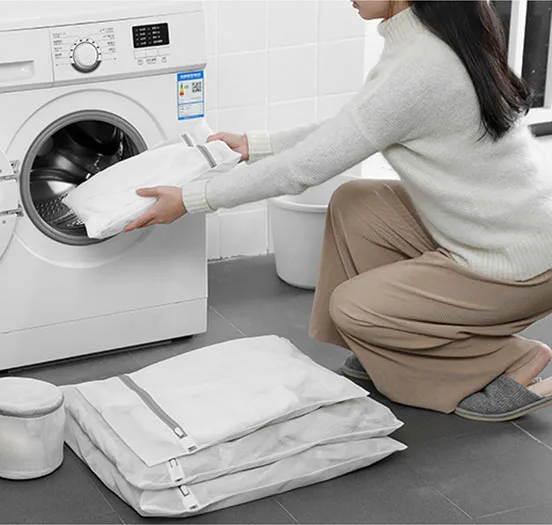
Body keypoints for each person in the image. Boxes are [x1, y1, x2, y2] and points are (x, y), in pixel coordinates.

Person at [123, 0, 552, 422]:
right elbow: (358, 123)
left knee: (350, 307)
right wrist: (258, 145)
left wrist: (193, 199)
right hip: (501, 235)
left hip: (516, 267)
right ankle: (386, 349)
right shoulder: (428, 40)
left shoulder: (422, 64)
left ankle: (508, 360)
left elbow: (302, 169)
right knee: (356, 203)